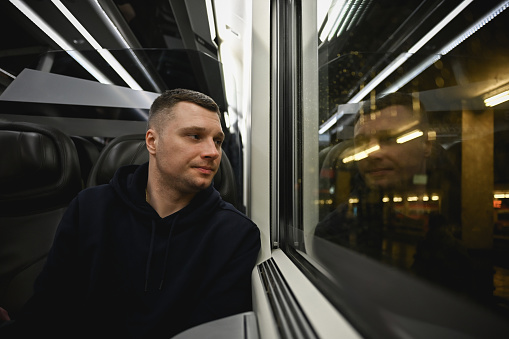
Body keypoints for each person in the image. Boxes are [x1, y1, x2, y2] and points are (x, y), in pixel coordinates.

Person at [0, 88, 261, 338]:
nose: (212, 152)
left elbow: (210, 333)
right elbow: (51, 308)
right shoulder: (91, 208)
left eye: (217, 141)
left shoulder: (236, 234)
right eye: (194, 136)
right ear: (152, 141)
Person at [314, 92, 478, 293]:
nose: (372, 152)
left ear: (426, 144)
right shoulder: (336, 234)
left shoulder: (457, 223)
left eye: (391, 138)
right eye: (362, 142)